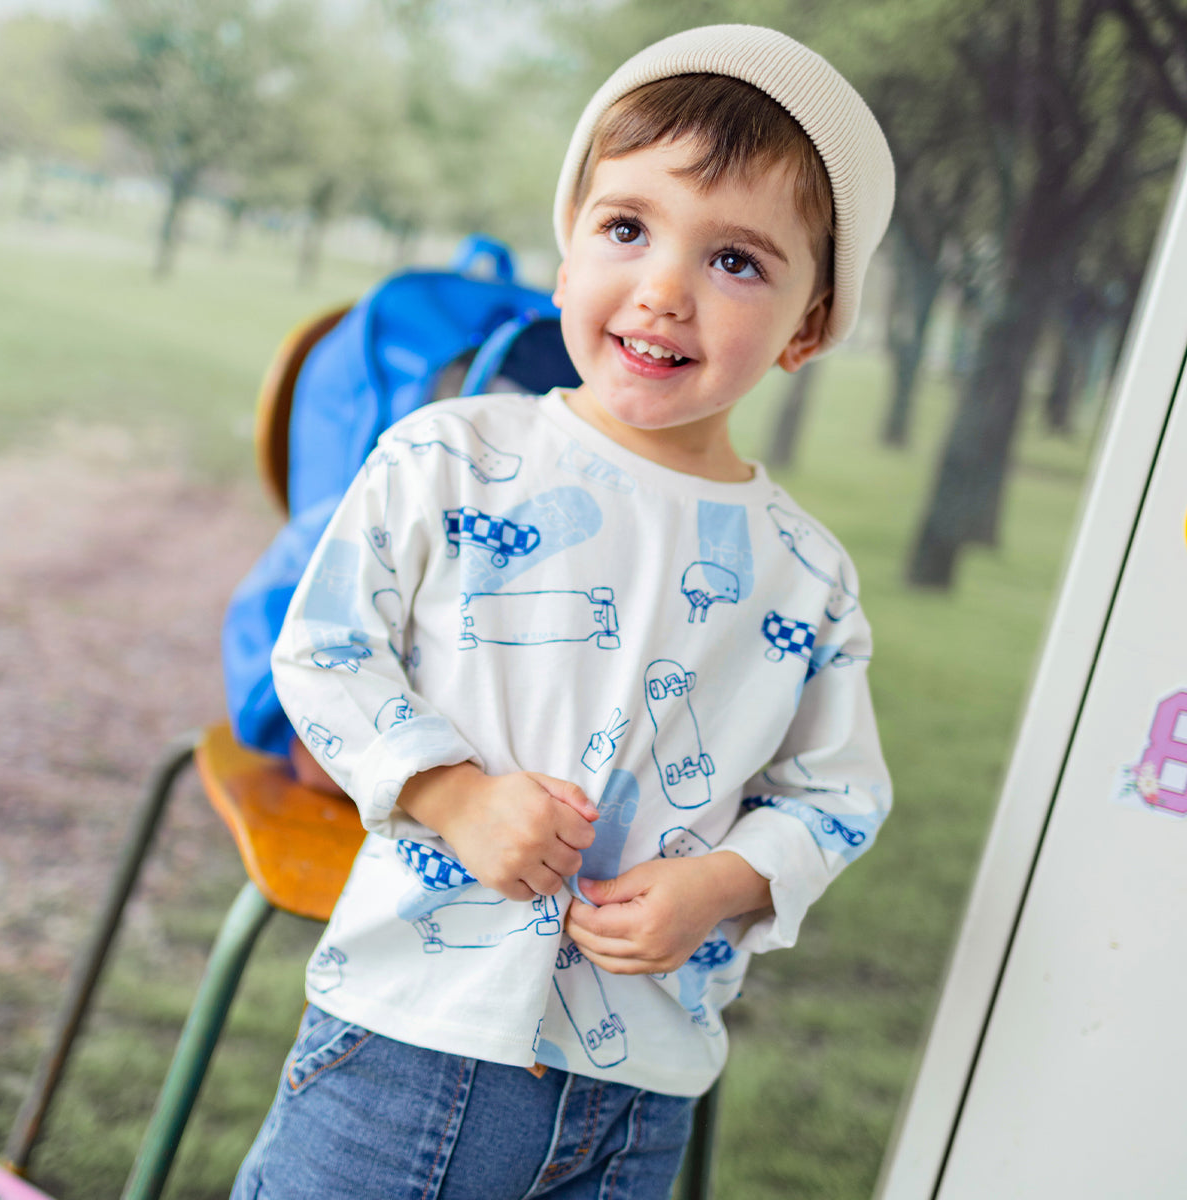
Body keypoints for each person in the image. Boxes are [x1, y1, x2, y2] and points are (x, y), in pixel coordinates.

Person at [232, 23, 895, 1200]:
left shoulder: (806, 574)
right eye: (628, 229)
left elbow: (836, 795)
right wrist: (452, 794)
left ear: (808, 325)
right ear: (566, 251)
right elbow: (328, 649)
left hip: (634, 1097)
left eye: (735, 261)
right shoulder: (451, 456)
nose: (664, 290)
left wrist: (726, 884)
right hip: (409, 1038)